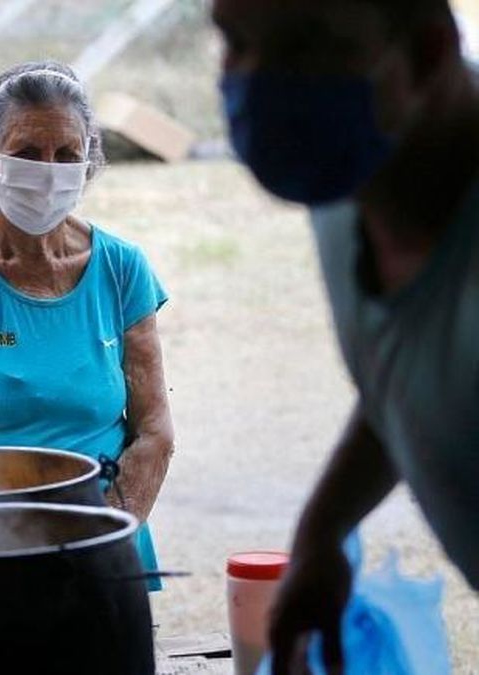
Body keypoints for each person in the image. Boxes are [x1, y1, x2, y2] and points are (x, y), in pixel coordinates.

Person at [212, 0, 479, 670]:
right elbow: (416, 374)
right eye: (234, 40)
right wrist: (323, 530)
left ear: (426, 52)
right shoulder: (351, 188)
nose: (257, 80)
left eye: (307, 46)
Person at [0, 62, 176, 589]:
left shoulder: (121, 269)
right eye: (27, 153)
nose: (49, 172)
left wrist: (100, 539)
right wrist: (5, 558)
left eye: (67, 155)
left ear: (88, 157)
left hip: (106, 548)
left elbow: (154, 433)